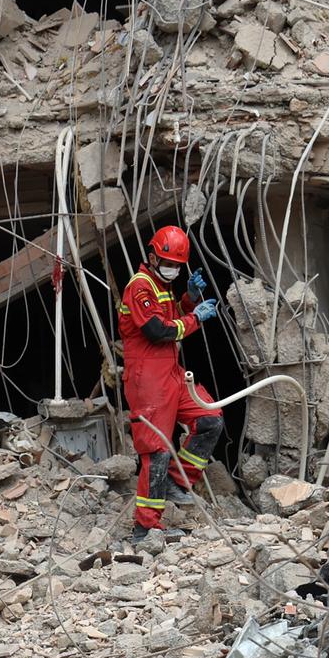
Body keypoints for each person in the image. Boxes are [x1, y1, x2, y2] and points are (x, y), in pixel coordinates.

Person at [117, 225, 222, 542]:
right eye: (168, 262)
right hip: (147, 377)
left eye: (177, 265)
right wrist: (196, 319)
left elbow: (170, 314)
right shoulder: (140, 287)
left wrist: (188, 300)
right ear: (151, 257)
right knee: (157, 449)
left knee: (209, 420)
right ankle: (145, 527)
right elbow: (158, 331)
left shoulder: (160, 286)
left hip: (171, 372)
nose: (173, 269)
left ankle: (178, 482)